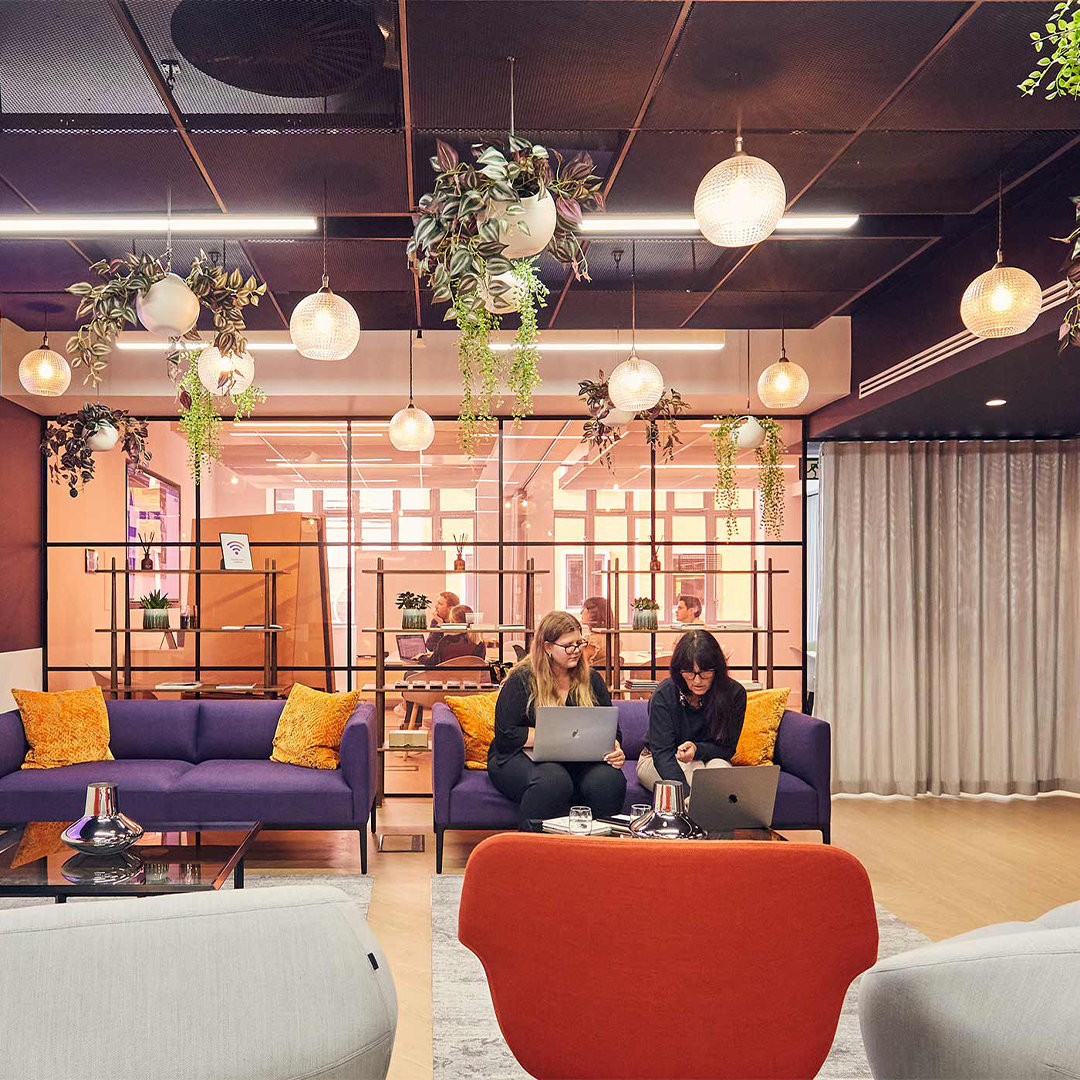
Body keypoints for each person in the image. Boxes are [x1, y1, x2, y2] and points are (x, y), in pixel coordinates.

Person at [488, 610, 627, 830]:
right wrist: (556, 738)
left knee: (609, 781)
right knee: (553, 781)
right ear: (548, 647)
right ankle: (533, 852)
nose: (576, 651)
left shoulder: (592, 680)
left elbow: (612, 730)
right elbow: (506, 734)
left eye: (579, 643)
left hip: (578, 759)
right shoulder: (522, 679)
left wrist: (615, 748)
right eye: (568, 646)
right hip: (516, 756)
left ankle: (600, 854)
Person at [637, 630, 746, 799]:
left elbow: (727, 749)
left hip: (709, 758)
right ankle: (698, 823)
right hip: (657, 760)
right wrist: (687, 796)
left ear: (717, 669)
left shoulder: (734, 693)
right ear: (678, 670)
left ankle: (716, 824)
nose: (697, 681)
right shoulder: (664, 694)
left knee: (719, 772)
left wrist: (697, 749)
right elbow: (663, 755)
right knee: (691, 775)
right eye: (689, 673)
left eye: (705, 673)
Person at [579, 595, 614, 670]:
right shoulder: (614, 638)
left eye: (583, 609)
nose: (581, 613)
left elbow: (580, 664)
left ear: (592, 613)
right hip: (612, 680)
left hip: (593, 680)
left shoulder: (591, 641)